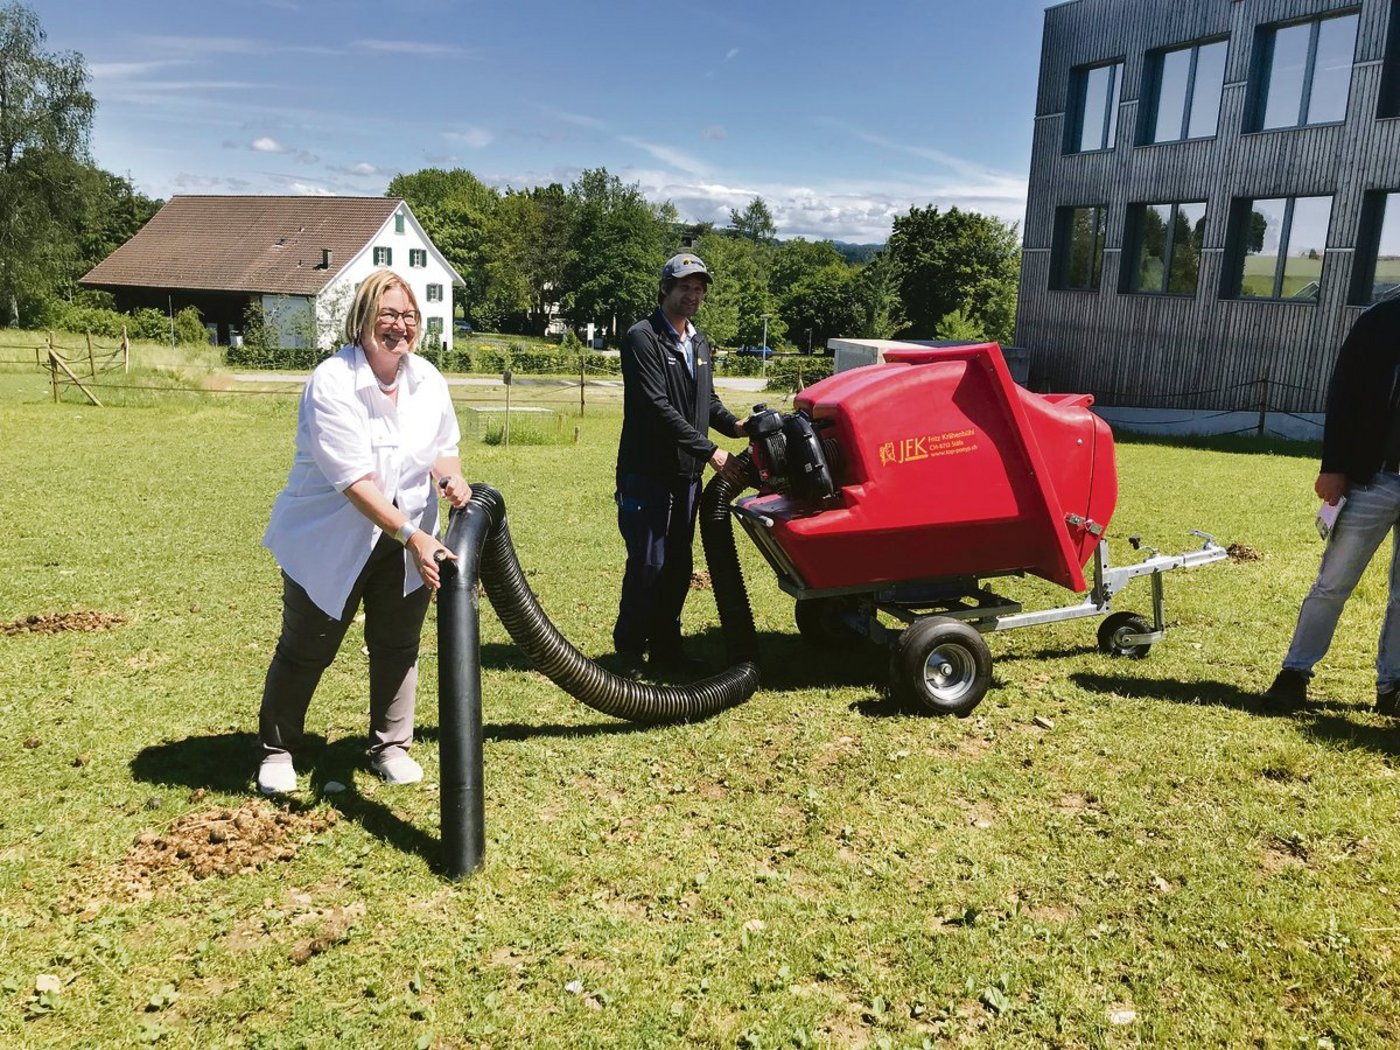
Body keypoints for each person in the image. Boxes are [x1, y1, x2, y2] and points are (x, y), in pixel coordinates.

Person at [256, 269, 472, 795]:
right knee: (308, 645)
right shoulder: (332, 381)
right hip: (330, 539)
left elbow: (442, 444)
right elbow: (354, 482)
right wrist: (414, 537)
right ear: (364, 319)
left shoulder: (427, 380)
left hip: (407, 538)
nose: (399, 326)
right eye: (388, 315)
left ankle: (390, 746)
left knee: (398, 645)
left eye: (408, 316)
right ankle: (278, 750)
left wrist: (451, 476)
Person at [1265, 292, 1400, 714]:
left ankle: (1392, 687)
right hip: (1373, 477)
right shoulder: (1380, 321)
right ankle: (1294, 673)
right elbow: (1344, 395)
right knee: (1332, 583)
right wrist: (1335, 465)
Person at [612, 252, 746, 677]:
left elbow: (704, 401)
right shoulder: (642, 338)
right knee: (648, 564)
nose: (693, 294)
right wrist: (712, 452)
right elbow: (656, 407)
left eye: (700, 288)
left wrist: (737, 427)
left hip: (685, 476)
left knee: (678, 565)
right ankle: (630, 652)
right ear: (666, 288)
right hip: (647, 473)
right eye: (685, 286)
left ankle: (668, 648)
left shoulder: (699, 342)